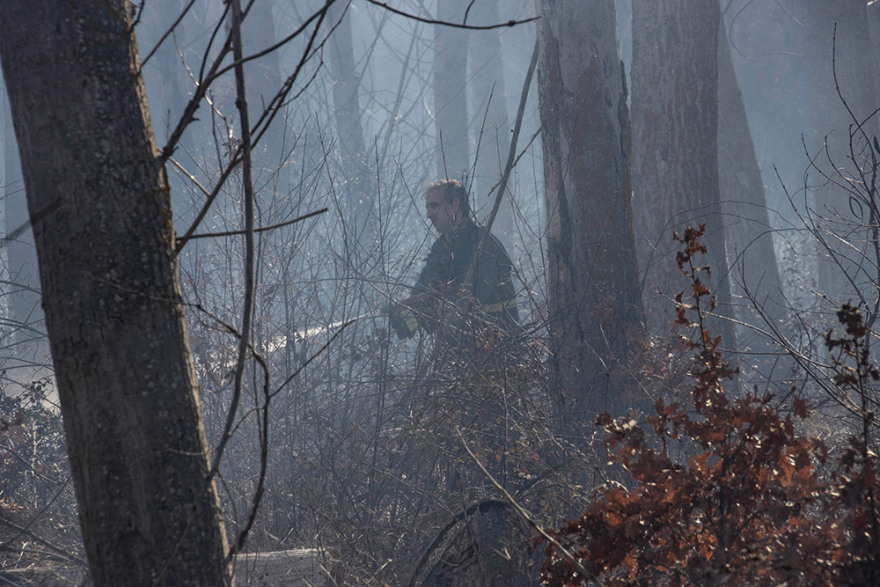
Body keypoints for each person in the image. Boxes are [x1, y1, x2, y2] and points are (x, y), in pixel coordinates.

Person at [389, 179, 519, 341]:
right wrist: (407, 314)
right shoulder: (440, 247)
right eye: (427, 208)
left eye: (434, 206)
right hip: (455, 348)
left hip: (496, 346)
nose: (428, 215)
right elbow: (425, 290)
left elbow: (468, 301)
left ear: (455, 205)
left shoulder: (484, 245)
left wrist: (422, 305)